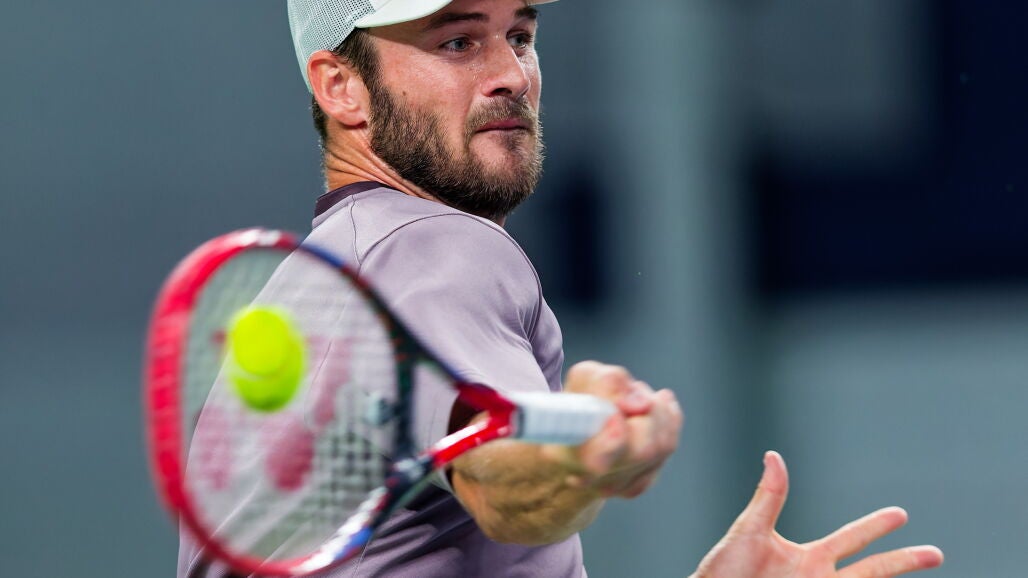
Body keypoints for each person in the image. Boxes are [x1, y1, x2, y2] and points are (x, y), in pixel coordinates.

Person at [178, 0, 944, 576]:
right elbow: (499, 475)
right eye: (458, 42)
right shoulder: (429, 247)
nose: (512, 75)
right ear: (341, 87)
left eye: (519, 35)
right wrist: (576, 457)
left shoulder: (333, 275)